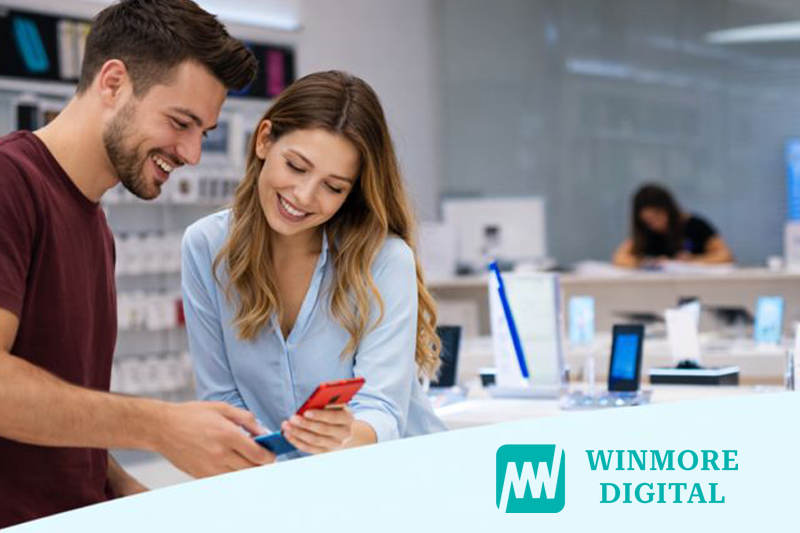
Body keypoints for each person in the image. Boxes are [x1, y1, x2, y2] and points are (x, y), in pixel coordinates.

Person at [0, 0, 274, 527]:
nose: (192, 152)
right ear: (113, 83)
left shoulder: (96, 229)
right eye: (180, 122)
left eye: (204, 132)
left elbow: (62, 415)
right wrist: (159, 425)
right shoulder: (10, 185)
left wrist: (131, 493)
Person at [181, 71, 446, 456]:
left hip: (392, 475)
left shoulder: (384, 261)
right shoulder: (206, 246)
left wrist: (343, 437)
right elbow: (222, 397)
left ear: (352, 192)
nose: (303, 196)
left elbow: (383, 410)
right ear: (264, 139)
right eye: (296, 167)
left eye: (333, 186)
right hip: (282, 487)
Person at [612, 183, 734, 268]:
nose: (654, 224)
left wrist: (693, 260)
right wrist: (647, 263)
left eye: (658, 217)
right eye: (649, 221)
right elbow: (619, 258)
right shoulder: (646, 231)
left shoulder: (695, 225)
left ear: (669, 210)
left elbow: (726, 256)